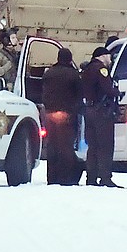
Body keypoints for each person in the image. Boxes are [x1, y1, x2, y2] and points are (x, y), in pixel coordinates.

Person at [41, 48, 84, 185]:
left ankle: (52, 178)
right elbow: (79, 94)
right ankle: (65, 178)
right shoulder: (73, 74)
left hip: (49, 114)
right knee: (66, 146)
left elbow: (43, 92)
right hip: (67, 114)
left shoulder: (49, 73)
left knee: (52, 146)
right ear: (70, 59)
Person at [81, 46, 120, 187]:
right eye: (108, 57)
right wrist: (117, 92)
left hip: (89, 110)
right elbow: (107, 89)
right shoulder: (101, 70)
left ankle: (91, 178)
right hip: (101, 112)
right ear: (103, 56)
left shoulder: (87, 69)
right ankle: (105, 178)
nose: (109, 60)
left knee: (93, 146)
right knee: (105, 145)